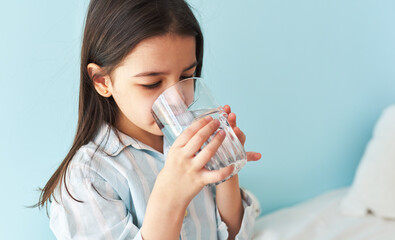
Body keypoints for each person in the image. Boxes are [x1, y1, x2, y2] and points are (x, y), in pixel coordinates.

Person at [36, 0, 262, 239]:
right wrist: (171, 197)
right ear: (102, 81)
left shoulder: (193, 141)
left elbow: (234, 234)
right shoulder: (88, 178)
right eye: (152, 83)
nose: (177, 100)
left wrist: (226, 170)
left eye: (187, 76)